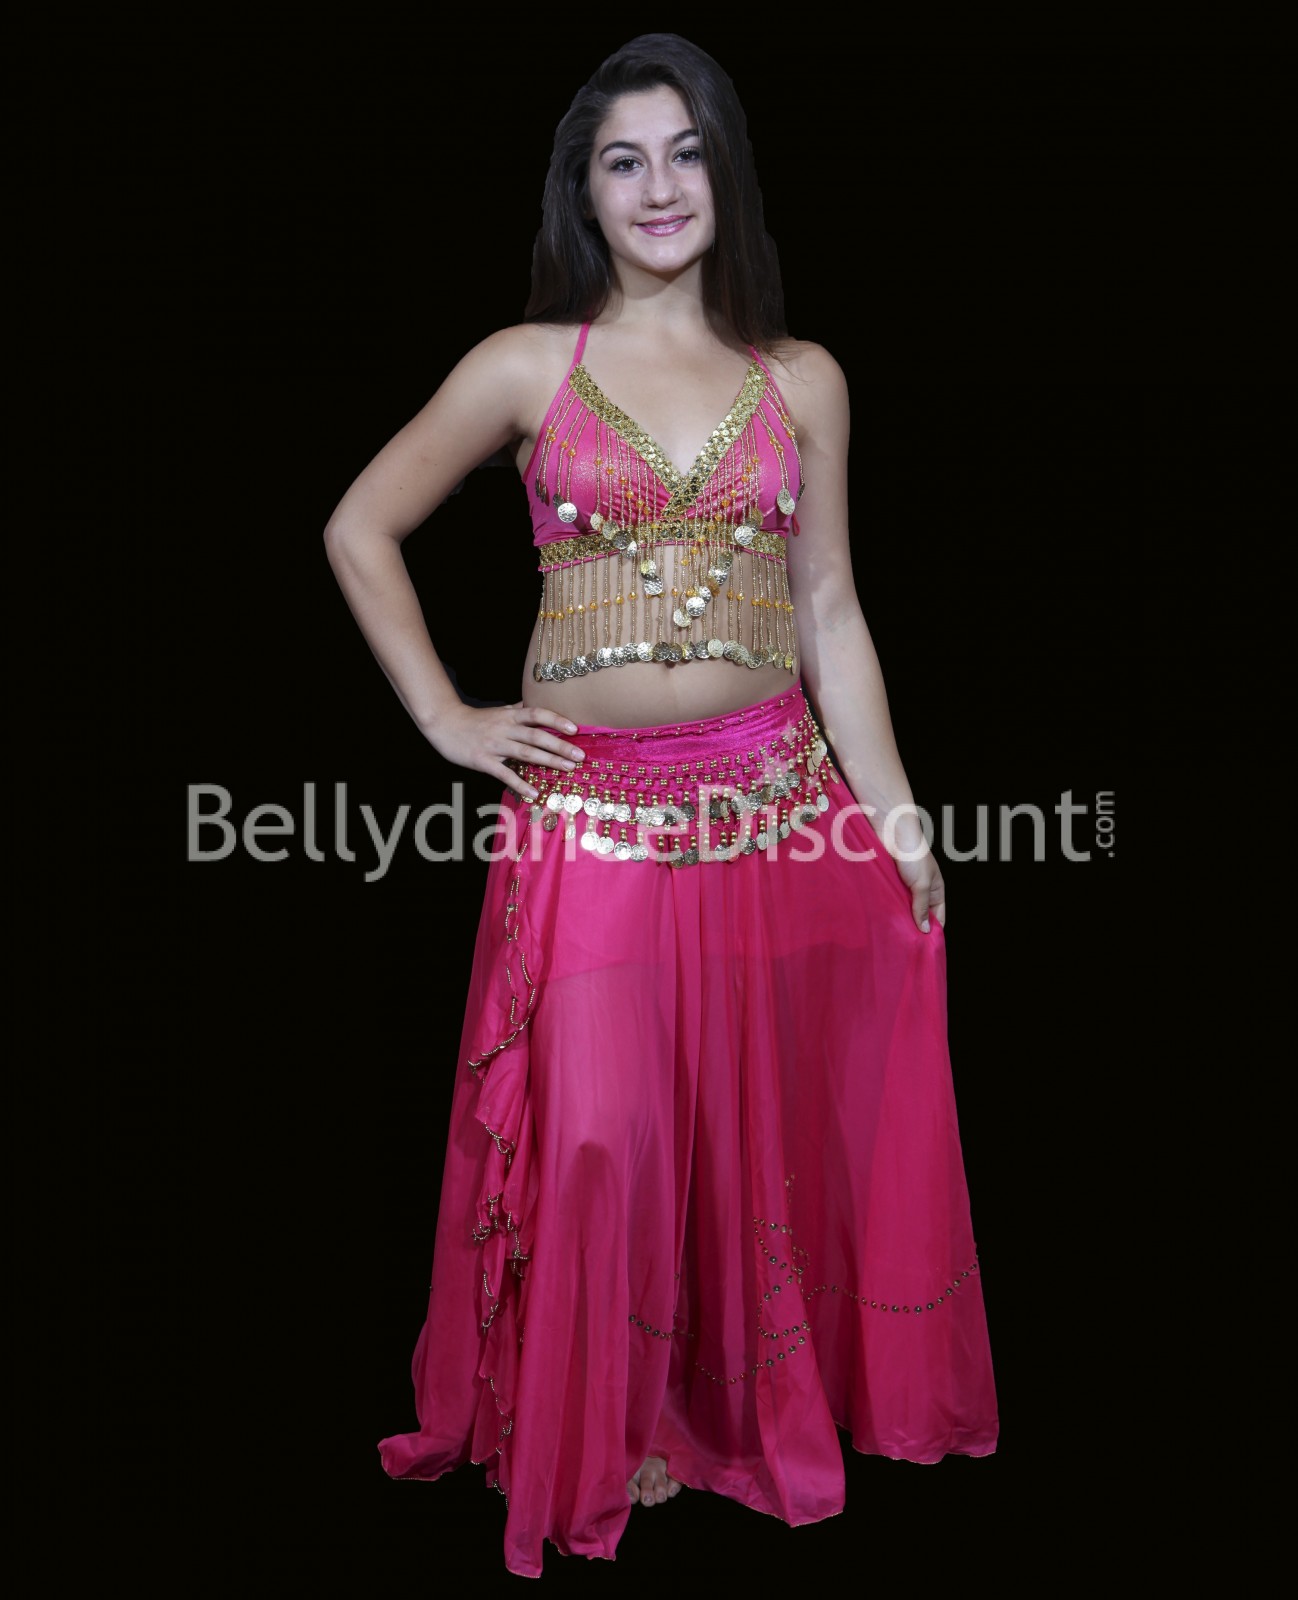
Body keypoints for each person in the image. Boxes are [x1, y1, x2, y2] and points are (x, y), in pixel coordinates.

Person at [323, 33, 997, 1578]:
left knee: (757, 1133)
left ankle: (721, 1418)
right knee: (604, 1134)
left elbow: (827, 607)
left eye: (684, 152)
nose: (658, 186)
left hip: (773, 805)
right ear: (584, 193)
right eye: (622, 161)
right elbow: (359, 526)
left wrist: (893, 813)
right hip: (592, 820)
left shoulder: (800, 379)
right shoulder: (526, 365)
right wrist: (443, 718)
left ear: (724, 172)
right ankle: (603, 1423)